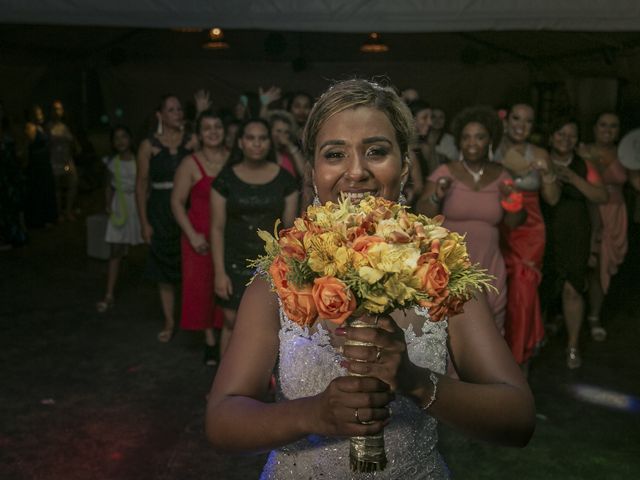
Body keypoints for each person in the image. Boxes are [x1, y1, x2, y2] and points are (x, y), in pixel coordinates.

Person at [206, 80, 535, 479]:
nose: (357, 171)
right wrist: (312, 413)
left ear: (406, 165)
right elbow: (222, 422)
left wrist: (417, 383)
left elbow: (518, 420)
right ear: (313, 171)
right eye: (335, 154)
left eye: (376, 151)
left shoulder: (442, 272)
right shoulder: (277, 277)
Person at [417, 106, 526, 334]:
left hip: (489, 262)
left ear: (490, 141)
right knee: (450, 325)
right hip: (452, 263)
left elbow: (515, 223)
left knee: (491, 326)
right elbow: (421, 214)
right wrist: (437, 194)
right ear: (459, 142)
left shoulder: (502, 175)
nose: (472, 143)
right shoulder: (445, 171)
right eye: (466, 137)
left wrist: (511, 201)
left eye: (479, 137)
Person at [210, 117, 298, 355]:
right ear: (240, 142)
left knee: (270, 326)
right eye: (250, 138)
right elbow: (216, 228)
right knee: (231, 323)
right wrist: (219, 273)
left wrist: (288, 271)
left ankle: (264, 388)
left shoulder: (285, 180)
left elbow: (289, 231)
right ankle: (224, 389)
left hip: (271, 265)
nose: (256, 144)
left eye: (262, 138)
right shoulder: (225, 179)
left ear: (270, 143)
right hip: (234, 262)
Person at [495, 103, 560, 370]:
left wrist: (547, 172)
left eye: (529, 121)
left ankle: (520, 359)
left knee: (524, 289)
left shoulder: (540, 153)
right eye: (517, 118)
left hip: (531, 229)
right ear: (507, 120)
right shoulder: (491, 148)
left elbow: (553, 199)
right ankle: (496, 358)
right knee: (498, 292)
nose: (522, 125)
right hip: (499, 225)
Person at [540, 118, 608, 369]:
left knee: (573, 288)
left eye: (571, 135)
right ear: (551, 136)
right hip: (544, 231)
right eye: (560, 134)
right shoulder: (540, 159)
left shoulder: (584, 164)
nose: (565, 140)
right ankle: (535, 342)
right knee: (543, 287)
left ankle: (572, 344)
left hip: (576, 233)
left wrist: (573, 178)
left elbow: (602, 195)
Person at [136, 94, 197, 342]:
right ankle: (170, 321)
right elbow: (141, 186)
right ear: (160, 115)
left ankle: (191, 319)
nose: (177, 113)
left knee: (189, 264)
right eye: (171, 109)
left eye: (179, 109)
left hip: (188, 207)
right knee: (163, 270)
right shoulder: (148, 145)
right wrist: (144, 222)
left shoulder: (191, 141)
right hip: (160, 209)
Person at [171, 110, 228, 365]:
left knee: (226, 288)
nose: (213, 131)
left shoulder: (234, 159)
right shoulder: (190, 163)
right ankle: (210, 343)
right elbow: (176, 202)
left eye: (217, 126)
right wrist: (192, 235)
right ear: (199, 134)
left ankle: (226, 335)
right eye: (207, 128)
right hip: (199, 236)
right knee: (202, 288)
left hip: (228, 235)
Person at [586, 112, 640, 343]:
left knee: (603, 267)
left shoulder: (625, 154)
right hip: (589, 211)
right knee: (588, 262)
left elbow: (637, 184)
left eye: (613, 126)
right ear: (595, 127)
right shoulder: (582, 149)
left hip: (616, 213)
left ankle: (594, 316)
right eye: (603, 124)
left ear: (619, 130)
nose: (608, 130)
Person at [96, 125, 143, 312]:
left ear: (131, 139)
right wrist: (108, 206)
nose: (120, 141)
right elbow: (109, 186)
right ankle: (109, 294)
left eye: (124, 136)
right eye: (116, 138)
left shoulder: (140, 160)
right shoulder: (111, 162)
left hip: (138, 205)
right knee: (115, 249)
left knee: (146, 244)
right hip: (120, 206)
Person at [23, 105, 57, 228]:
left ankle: (48, 218)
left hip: (44, 163)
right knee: (39, 191)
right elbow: (31, 144)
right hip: (37, 165)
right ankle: (40, 220)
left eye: (41, 113)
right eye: (38, 114)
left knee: (47, 189)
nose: (40, 116)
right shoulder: (30, 127)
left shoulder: (41, 127)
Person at [48, 99, 80, 222]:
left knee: (72, 182)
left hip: (66, 162)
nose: (57, 111)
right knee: (57, 187)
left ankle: (68, 210)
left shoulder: (66, 126)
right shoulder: (49, 127)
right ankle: (59, 213)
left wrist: (76, 147)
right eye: (55, 109)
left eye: (60, 108)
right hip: (55, 162)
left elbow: (73, 141)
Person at [267, 110, 306, 179]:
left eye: (286, 132)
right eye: (278, 131)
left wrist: (290, 146)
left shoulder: (291, 155)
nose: (282, 135)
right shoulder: (263, 153)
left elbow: (304, 174)